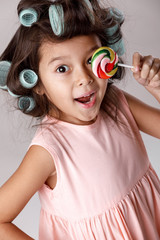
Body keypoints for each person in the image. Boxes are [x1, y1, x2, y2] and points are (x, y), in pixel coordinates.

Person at [0, 0, 160, 239]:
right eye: (62, 69)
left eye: (89, 60)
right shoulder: (49, 150)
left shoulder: (116, 103)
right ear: (38, 84)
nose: (84, 78)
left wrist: (156, 88)